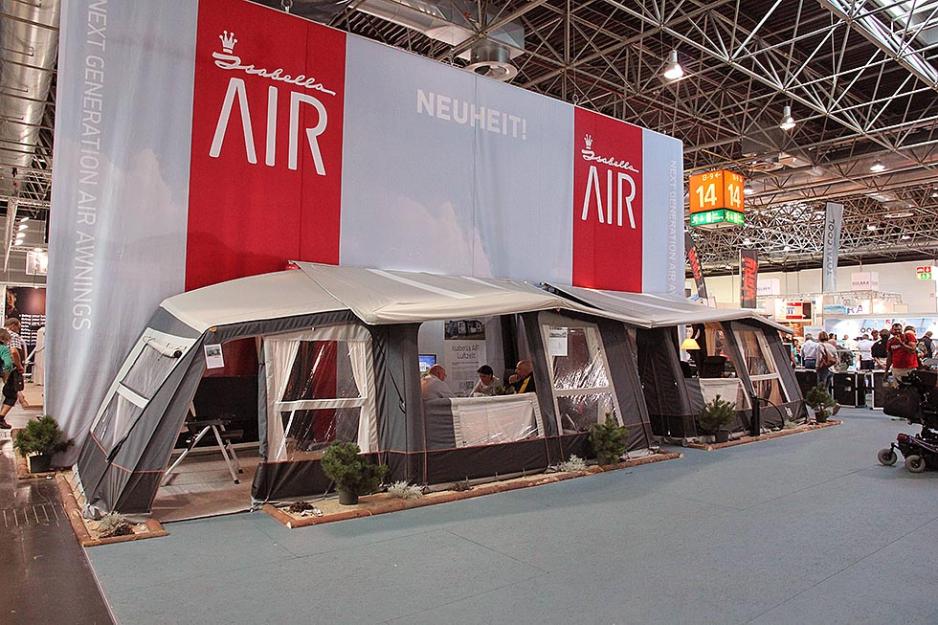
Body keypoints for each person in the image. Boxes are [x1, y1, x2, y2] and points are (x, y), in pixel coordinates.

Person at [0, 329, 23, 429]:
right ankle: (1, 419)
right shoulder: (3, 349)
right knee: (11, 395)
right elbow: (8, 364)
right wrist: (6, 376)